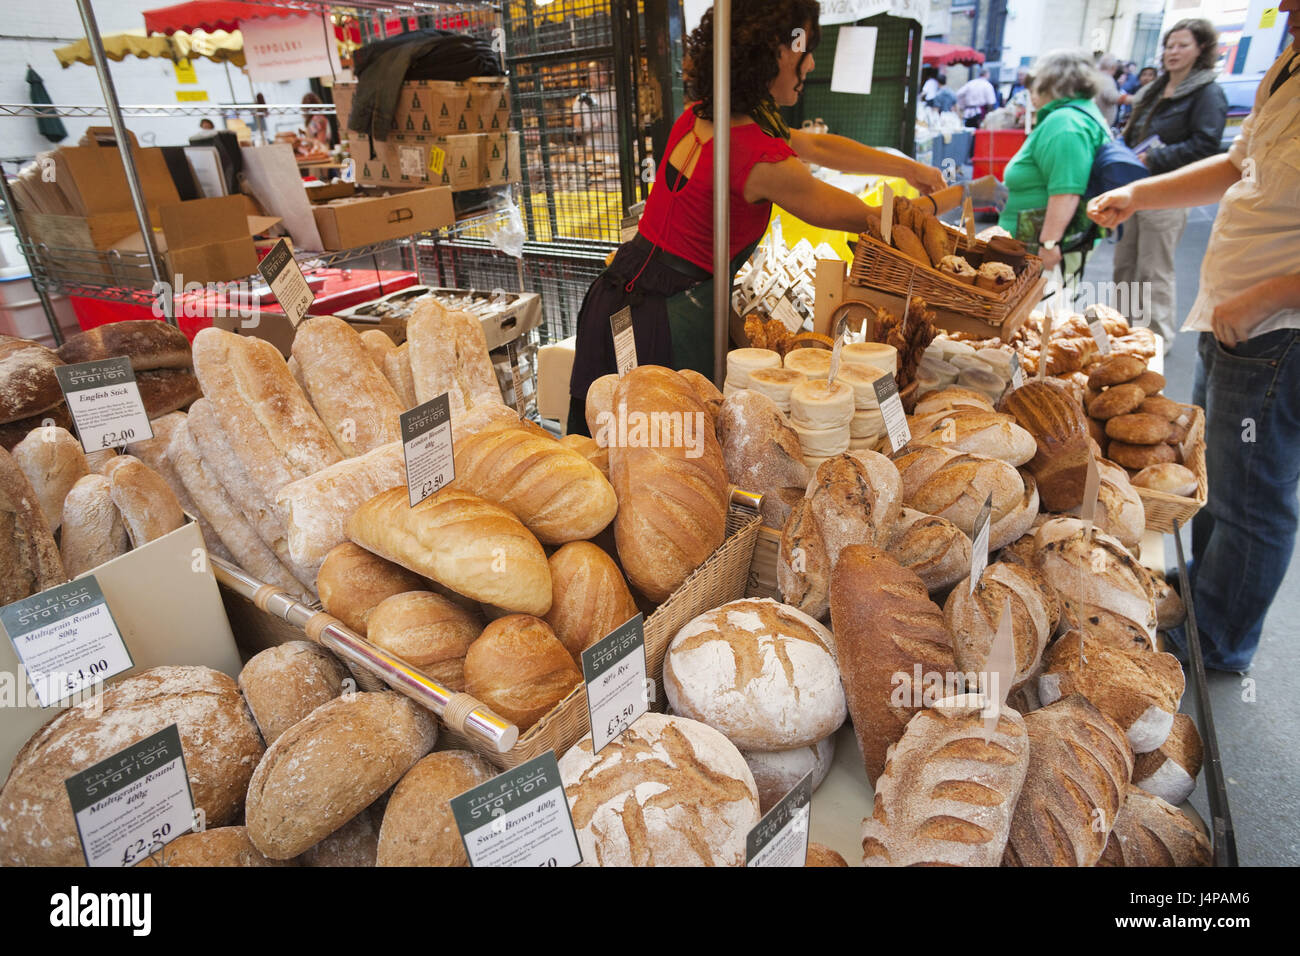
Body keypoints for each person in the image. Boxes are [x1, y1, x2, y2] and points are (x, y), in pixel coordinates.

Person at [566, 0, 943, 434]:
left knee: (607, 453)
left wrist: (909, 169)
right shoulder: (757, 160)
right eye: (802, 46)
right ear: (769, 52)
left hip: (615, 298)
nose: (811, 61)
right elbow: (872, 220)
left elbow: (818, 147)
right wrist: (946, 201)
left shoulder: (704, 116)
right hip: (665, 326)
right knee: (663, 467)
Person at [1087, 0, 1300, 673]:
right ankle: (1202, 591)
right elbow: (1240, 166)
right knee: (1215, 478)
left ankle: (1217, 643)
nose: (1280, 5)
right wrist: (1141, 194)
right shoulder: (1286, 64)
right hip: (1232, 316)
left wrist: (1266, 297)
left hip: (1274, 328)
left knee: (1251, 500)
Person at [1114, 19, 1227, 344]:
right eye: (1169, 45)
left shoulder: (1207, 92)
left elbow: (1206, 145)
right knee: (1125, 265)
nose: (1173, 52)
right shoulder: (1152, 90)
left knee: (1153, 269)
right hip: (1133, 186)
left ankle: (1154, 340)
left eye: (1182, 45)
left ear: (1201, 49)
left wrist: (1155, 158)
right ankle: (1121, 331)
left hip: (1169, 192)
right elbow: (1133, 132)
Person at [997, 49, 1110, 280]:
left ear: (1051, 83)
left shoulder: (1065, 123)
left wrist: (1049, 243)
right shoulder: (1076, 115)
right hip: (1036, 246)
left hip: (1041, 251)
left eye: (1034, 84)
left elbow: (1067, 190)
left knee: (1041, 312)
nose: (1030, 93)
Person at [572, 60, 618, 154]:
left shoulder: (615, 93)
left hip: (616, 151)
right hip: (593, 154)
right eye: (597, 76)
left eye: (604, 75)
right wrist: (591, 128)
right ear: (589, 78)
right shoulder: (582, 98)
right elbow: (577, 130)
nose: (602, 79)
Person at [1095, 54, 1122, 126]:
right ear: (1113, 67)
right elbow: (1112, 96)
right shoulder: (1106, 79)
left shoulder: (1095, 75)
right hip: (1102, 119)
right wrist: (1129, 99)